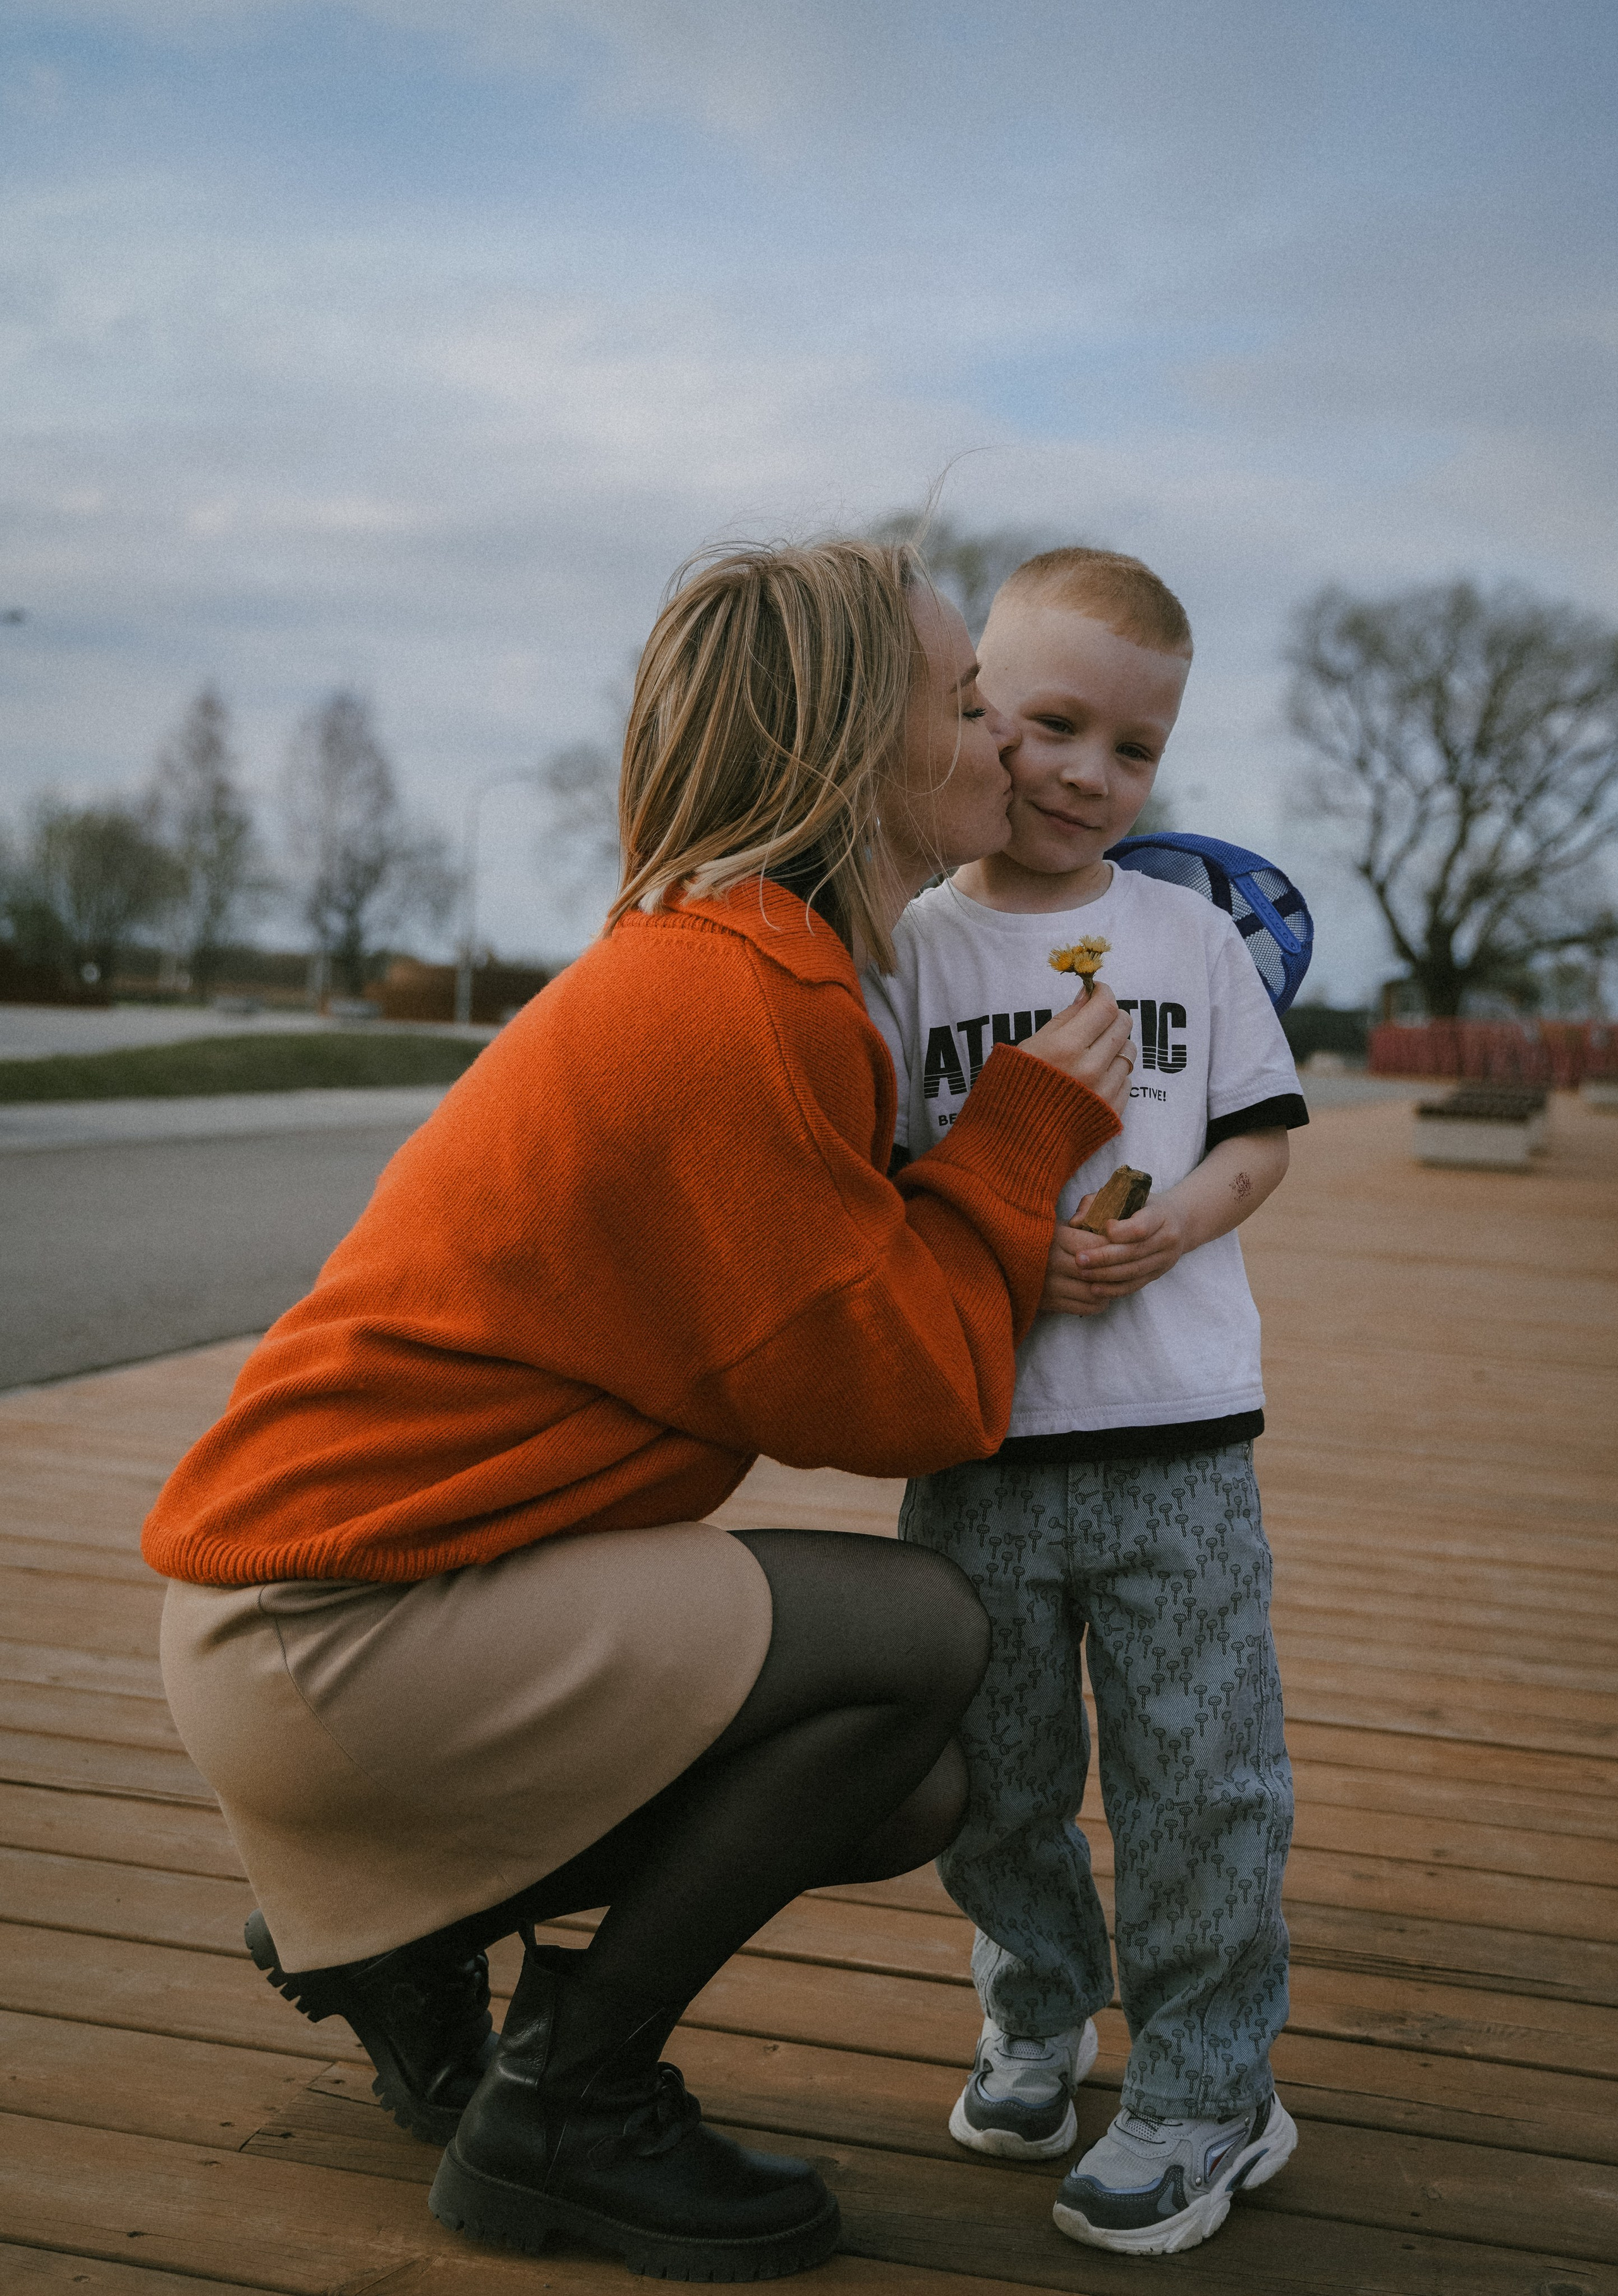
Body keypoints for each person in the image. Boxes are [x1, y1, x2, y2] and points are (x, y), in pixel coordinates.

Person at [145, 537, 1139, 2283]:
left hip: (325, 1615)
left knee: (910, 1783)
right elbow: (914, 1389)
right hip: (338, 1624)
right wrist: (1027, 1137)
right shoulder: (735, 999)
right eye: (968, 705)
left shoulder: (749, 960)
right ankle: (566, 2106)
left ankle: (399, 1948)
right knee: (918, 1629)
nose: (1009, 745)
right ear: (860, 752)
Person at [863, 545, 1310, 2259]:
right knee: (999, 1768)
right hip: (981, 1441)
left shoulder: (1187, 935)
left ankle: (1208, 2081)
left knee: (1202, 1774)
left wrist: (1183, 1215)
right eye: (1049, 723)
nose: (1085, 775)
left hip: (1182, 1441)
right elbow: (889, 1177)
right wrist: (996, 1239)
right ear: (976, 704)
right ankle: (1037, 2006)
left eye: (1133, 752)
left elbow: (1258, 1134)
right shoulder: (915, 947)